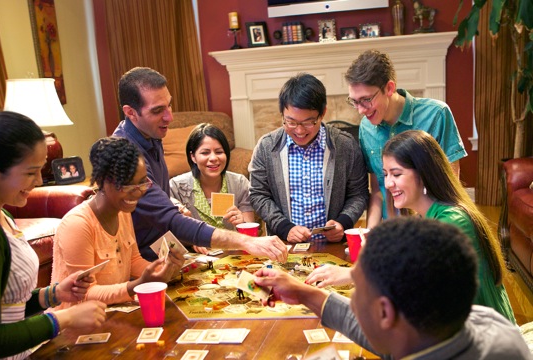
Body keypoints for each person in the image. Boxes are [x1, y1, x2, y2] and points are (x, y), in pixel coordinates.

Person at [0, 111, 106, 359]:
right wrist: (64, 318)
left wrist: (53, 294)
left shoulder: (1, 216)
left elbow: (2, 307)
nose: (38, 180)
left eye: (41, 170)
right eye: (29, 172)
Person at [254, 217, 531, 359]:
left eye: (357, 289)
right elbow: (388, 333)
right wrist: (302, 291)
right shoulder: (489, 325)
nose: (353, 301)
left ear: (385, 313)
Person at [112, 67, 287, 262]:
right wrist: (246, 241)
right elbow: (169, 219)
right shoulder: (126, 156)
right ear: (130, 113)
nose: (169, 117)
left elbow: (158, 204)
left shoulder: (151, 133)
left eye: (169, 105)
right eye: (157, 110)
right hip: (139, 262)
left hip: (163, 253)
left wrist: (173, 203)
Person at [382, 130, 516, 322]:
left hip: (486, 336)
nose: (388, 183)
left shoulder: (454, 220)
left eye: (396, 174)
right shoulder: (424, 217)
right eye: (385, 174)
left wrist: (353, 275)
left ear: (424, 173)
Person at [52, 137, 185, 308]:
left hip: (112, 311)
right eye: (127, 185)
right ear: (101, 181)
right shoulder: (77, 224)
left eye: (142, 182)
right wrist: (138, 284)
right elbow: (84, 295)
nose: (137, 193)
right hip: (75, 323)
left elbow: (134, 261)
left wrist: (165, 269)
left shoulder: (123, 211)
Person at [344, 50, 467, 228]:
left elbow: (451, 185)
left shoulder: (437, 114)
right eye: (354, 101)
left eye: (366, 99)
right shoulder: (366, 127)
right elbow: (378, 190)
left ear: (389, 88)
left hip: (434, 228)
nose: (360, 110)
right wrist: (370, 234)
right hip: (393, 232)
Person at [249, 73, 369, 243]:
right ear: (282, 113)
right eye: (290, 122)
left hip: (333, 246)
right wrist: (285, 227)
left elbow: (359, 194)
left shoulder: (345, 146)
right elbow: (258, 194)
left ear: (322, 113)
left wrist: (343, 223)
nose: (299, 131)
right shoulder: (267, 146)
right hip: (284, 245)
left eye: (308, 123)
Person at [170, 123, 253, 234]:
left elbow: (250, 234)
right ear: (193, 157)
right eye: (205, 153)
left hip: (233, 249)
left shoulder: (239, 183)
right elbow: (170, 235)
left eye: (219, 152)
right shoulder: (176, 187)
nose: (213, 158)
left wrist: (242, 223)